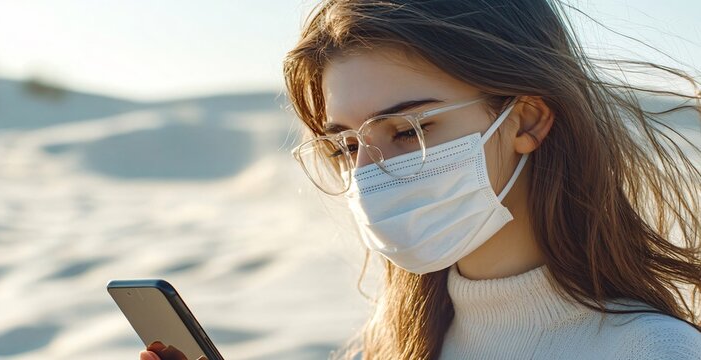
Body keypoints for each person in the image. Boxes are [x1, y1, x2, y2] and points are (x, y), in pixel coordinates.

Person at [279, 0, 701, 359]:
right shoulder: (395, 344)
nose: (370, 174)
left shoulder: (652, 350)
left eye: (409, 130)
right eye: (347, 147)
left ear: (526, 121)